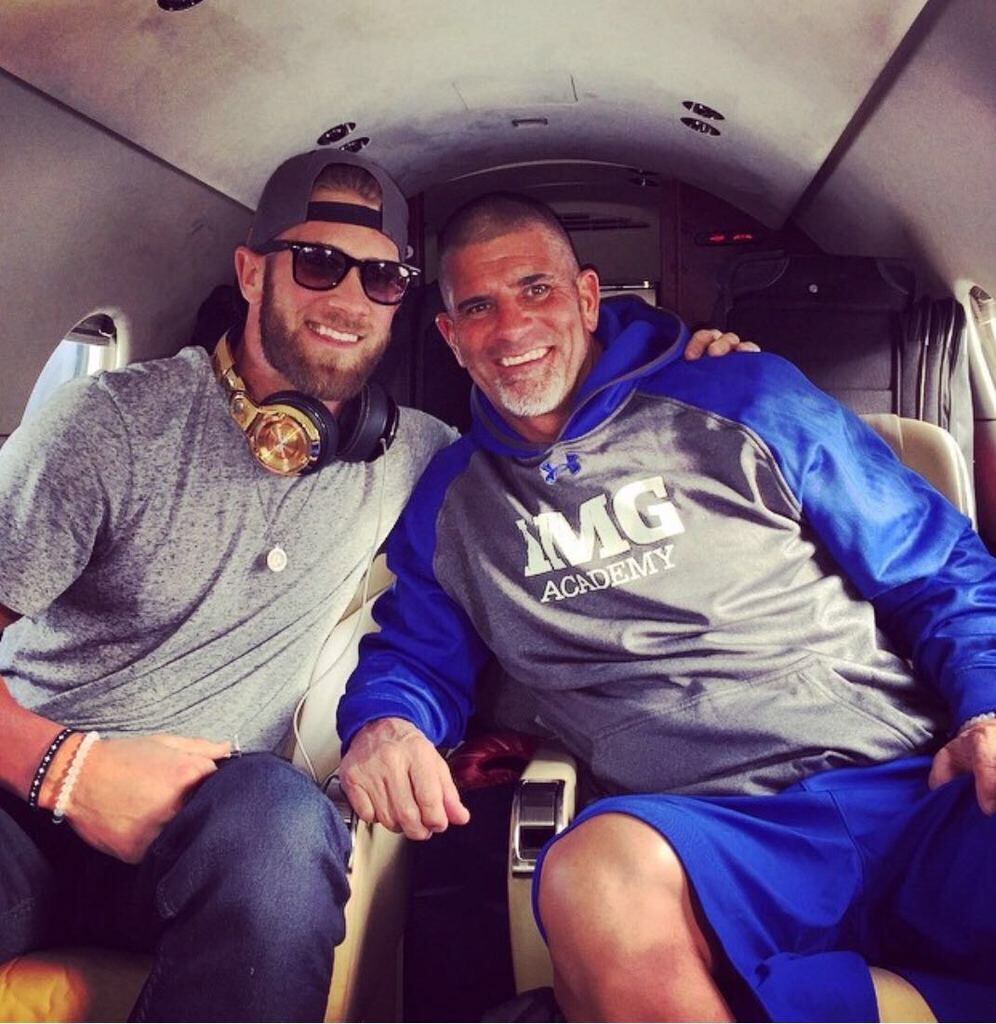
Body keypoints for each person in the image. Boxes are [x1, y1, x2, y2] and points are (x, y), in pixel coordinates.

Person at [0, 152, 746, 1021]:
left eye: (383, 279)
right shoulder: (109, 426)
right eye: (318, 264)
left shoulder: (420, 456)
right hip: (23, 805)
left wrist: (686, 368)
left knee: (284, 821)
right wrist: (67, 771)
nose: (350, 300)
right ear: (251, 273)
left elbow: (563, 436)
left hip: (211, 822)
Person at [336, 192, 996, 1022]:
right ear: (449, 335)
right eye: (478, 307)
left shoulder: (747, 394)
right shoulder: (451, 504)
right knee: (591, 880)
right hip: (707, 836)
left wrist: (986, 708)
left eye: (536, 290)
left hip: (913, 781)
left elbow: (939, 572)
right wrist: (385, 723)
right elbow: (415, 656)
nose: (511, 329)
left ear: (587, 296)